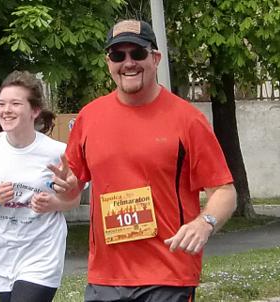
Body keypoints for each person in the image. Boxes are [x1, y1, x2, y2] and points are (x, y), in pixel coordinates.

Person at [49, 19, 237, 302]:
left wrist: (204, 223)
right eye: (118, 55)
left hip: (168, 274)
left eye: (137, 53)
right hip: (106, 277)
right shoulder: (89, 117)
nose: (128, 63)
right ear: (108, 62)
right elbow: (72, 193)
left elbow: (225, 191)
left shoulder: (187, 120)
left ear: (155, 58)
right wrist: (66, 189)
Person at [0, 70, 81, 302]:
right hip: (3, 254)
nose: (6, 110)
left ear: (34, 110)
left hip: (42, 252)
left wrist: (53, 202)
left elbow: (73, 199)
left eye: (15, 103)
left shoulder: (56, 152)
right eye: (2, 104)